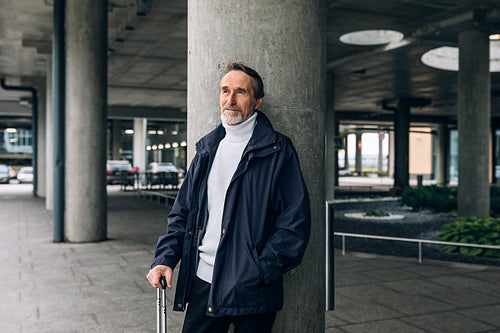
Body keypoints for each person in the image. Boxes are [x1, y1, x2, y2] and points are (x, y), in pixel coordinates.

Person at [147, 62, 311, 333]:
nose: (230, 99)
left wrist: (259, 270)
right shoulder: (206, 149)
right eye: (225, 91)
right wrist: (164, 258)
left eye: (240, 92)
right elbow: (182, 213)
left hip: (252, 287)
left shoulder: (278, 150)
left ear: (257, 101)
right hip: (204, 281)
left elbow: (294, 223)